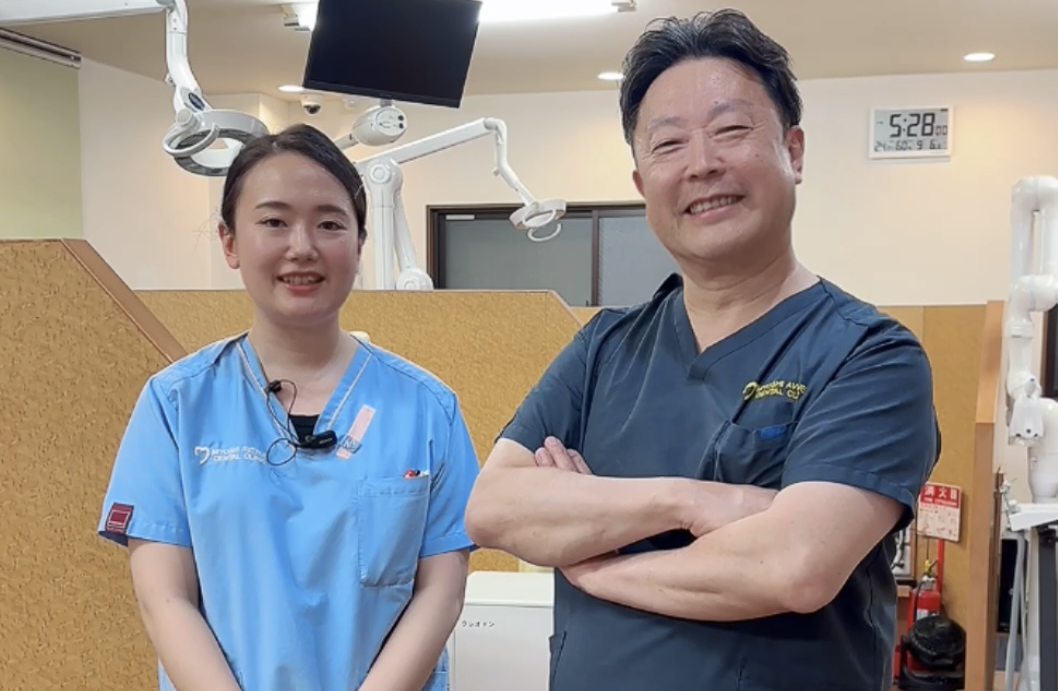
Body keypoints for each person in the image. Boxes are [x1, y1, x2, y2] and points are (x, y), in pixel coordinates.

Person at [465, 9, 940, 691]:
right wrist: (688, 502)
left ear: (794, 152)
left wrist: (596, 562)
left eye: (731, 130)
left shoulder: (868, 355)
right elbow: (494, 508)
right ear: (642, 185)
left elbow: (792, 566)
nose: (702, 164)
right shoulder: (603, 348)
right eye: (669, 144)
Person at [97, 123, 479, 691]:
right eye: (274, 222)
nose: (302, 247)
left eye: (329, 223)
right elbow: (165, 598)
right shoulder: (175, 405)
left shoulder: (427, 409)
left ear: (359, 243)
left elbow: (441, 592)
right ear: (230, 242)